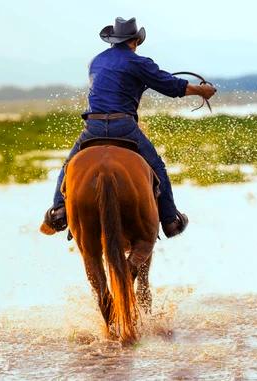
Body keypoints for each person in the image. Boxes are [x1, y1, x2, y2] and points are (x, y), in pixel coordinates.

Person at [41, 17, 216, 238]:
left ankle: (59, 211)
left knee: (69, 166)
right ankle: (170, 220)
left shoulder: (96, 61)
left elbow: (117, 83)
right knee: (157, 167)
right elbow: (171, 86)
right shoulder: (138, 63)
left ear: (113, 40)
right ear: (135, 41)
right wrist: (202, 91)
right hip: (122, 126)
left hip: (93, 126)